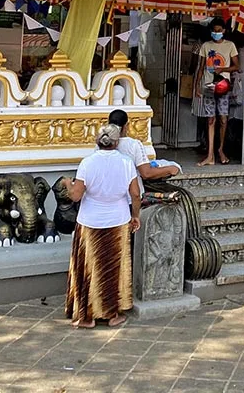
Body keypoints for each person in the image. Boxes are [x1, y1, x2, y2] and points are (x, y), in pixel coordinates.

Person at [63, 123, 141, 328]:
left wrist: (68, 185)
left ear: (97, 141)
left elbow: (76, 196)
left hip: (90, 222)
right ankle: (113, 314)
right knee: (113, 268)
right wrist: (135, 216)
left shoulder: (87, 163)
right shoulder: (126, 162)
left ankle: (86, 317)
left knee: (90, 267)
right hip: (118, 221)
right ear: (117, 142)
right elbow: (135, 194)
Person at [106, 110, 180, 195]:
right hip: (130, 196)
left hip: (107, 193)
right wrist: (170, 169)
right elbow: (146, 173)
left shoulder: (102, 144)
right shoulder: (133, 145)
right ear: (126, 125)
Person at [196, 18, 238, 166]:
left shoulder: (230, 45)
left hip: (223, 86)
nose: (216, 33)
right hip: (208, 87)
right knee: (210, 120)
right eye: (214, 31)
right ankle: (210, 155)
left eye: (219, 31)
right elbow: (201, 67)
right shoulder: (206, 46)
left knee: (223, 119)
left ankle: (220, 149)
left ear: (224, 31)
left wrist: (223, 69)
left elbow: (236, 66)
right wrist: (197, 86)